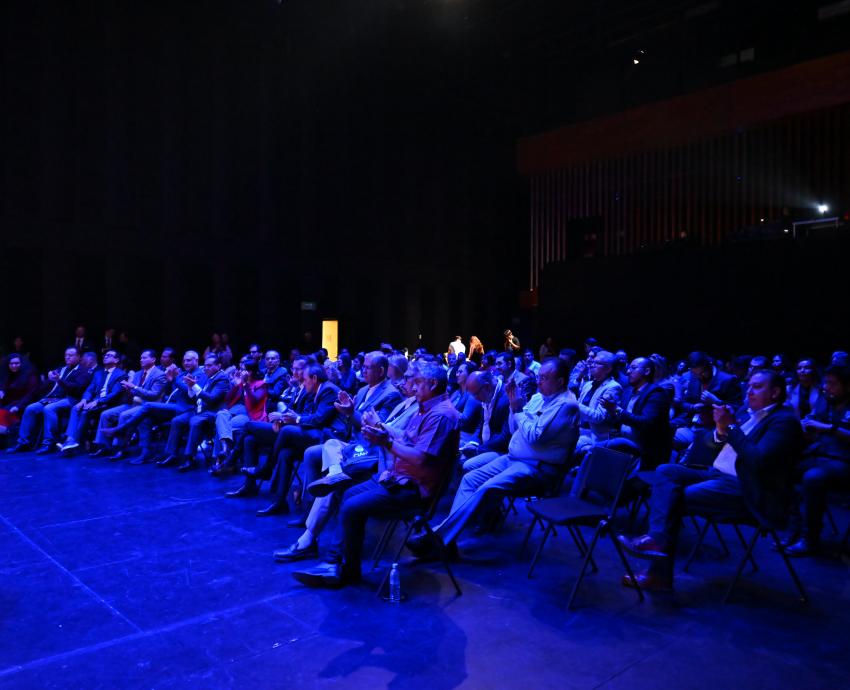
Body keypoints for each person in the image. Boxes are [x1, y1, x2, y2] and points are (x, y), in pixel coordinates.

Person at [619, 370, 804, 591]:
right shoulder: (749, 413)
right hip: (717, 474)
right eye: (750, 386)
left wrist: (732, 427)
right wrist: (718, 429)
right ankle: (657, 540)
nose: (749, 391)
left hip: (745, 488)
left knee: (674, 499)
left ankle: (658, 574)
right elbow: (710, 445)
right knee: (666, 470)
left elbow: (758, 461)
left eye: (757, 387)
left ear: (775, 392)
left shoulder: (784, 421)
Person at [292, 361, 459, 587]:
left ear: (433, 384)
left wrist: (386, 441)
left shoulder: (441, 415)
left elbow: (420, 458)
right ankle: (334, 563)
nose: (413, 386)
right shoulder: (426, 408)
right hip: (398, 478)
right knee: (347, 494)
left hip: (412, 490)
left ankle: (345, 570)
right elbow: (406, 437)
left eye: (418, 382)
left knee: (352, 507)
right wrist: (382, 430)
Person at [407, 358, 579, 557]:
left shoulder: (567, 405)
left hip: (538, 467)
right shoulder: (539, 398)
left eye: (545, 378)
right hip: (514, 458)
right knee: (470, 478)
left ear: (560, 381)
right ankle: (447, 537)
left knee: (487, 488)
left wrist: (517, 410)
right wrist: (518, 411)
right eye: (539, 377)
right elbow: (516, 430)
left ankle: (440, 539)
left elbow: (533, 436)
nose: (539, 381)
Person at [784, 365, 850, 556]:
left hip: (843, 461)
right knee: (784, 468)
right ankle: (794, 530)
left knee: (813, 478)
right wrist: (806, 426)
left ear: (847, 386)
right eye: (826, 383)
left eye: (832, 384)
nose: (827, 387)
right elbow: (813, 419)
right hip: (819, 454)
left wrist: (828, 427)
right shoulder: (825, 401)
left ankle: (809, 539)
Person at [7, 348, 92, 454]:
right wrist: (47, 379)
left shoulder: (83, 372)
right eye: (66, 355)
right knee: (30, 408)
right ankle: (23, 442)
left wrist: (59, 380)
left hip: (70, 399)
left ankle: (49, 442)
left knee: (49, 408)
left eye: (71, 355)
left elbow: (76, 388)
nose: (67, 357)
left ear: (79, 357)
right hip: (52, 398)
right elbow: (44, 386)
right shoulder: (61, 369)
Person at [89, 350, 168, 458]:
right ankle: (104, 446)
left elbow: (154, 395)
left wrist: (133, 387)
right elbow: (133, 392)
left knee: (124, 415)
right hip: (133, 404)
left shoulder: (160, 375)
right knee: (106, 414)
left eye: (144, 357)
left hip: (148, 406)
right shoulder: (138, 374)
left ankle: (120, 448)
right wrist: (128, 390)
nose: (141, 360)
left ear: (153, 359)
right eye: (141, 358)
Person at [58, 350, 128, 454]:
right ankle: (70, 440)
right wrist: (83, 400)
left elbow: (114, 394)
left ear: (116, 360)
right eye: (105, 355)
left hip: (109, 403)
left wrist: (97, 402)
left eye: (110, 355)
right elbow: (90, 389)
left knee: (86, 412)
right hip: (95, 402)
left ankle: (73, 441)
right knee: (76, 407)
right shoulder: (98, 373)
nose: (106, 357)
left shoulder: (121, 374)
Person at [0, 354, 40, 436]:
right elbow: (4, 387)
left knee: (2, 413)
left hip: (22, 406)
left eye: (16, 363)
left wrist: (18, 406)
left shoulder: (30, 375)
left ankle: (8, 431)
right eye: (11, 364)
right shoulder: (7, 374)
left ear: (21, 363)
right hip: (8, 404)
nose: (14, 366)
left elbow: (30, 394)